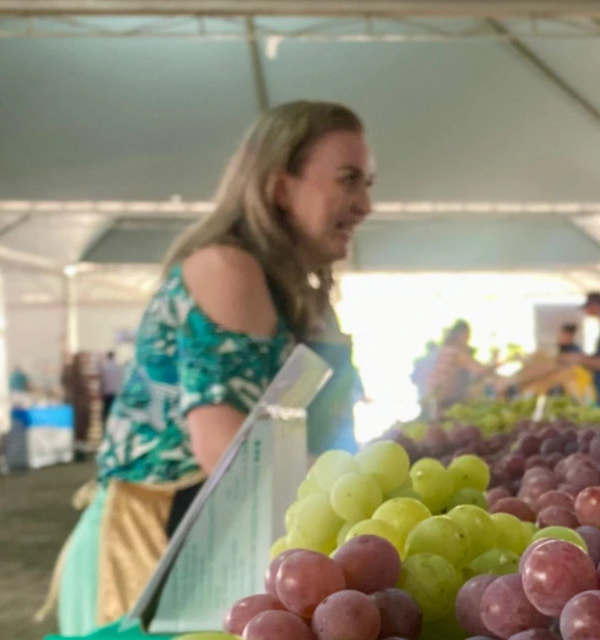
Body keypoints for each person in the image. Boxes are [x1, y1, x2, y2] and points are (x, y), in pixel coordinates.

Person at [47, 101, 374, 633]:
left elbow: (324, 427)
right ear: (280, 188)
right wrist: (365, 496)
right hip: (160, 544)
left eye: (368, 183)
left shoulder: (298, 292)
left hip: (226, 535)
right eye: (348, 180)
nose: (365, 204)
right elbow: (226, 448)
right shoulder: (227, 268)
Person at [424, 320, 497, 416]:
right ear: (460, 335)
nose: (468, 339)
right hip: (446, 401)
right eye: (467, 336)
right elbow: (481, 371)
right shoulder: (455, 353)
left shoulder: (444, 350)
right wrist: (497, 362)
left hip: (432, 399)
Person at [97, 351, 124, 425]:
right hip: (117, 393)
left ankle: (105, 426)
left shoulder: (105, 367)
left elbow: (101, 380)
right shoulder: (119, 367)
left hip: (107, 393)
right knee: (115, 413)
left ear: (107, 357)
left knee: (106, 413)